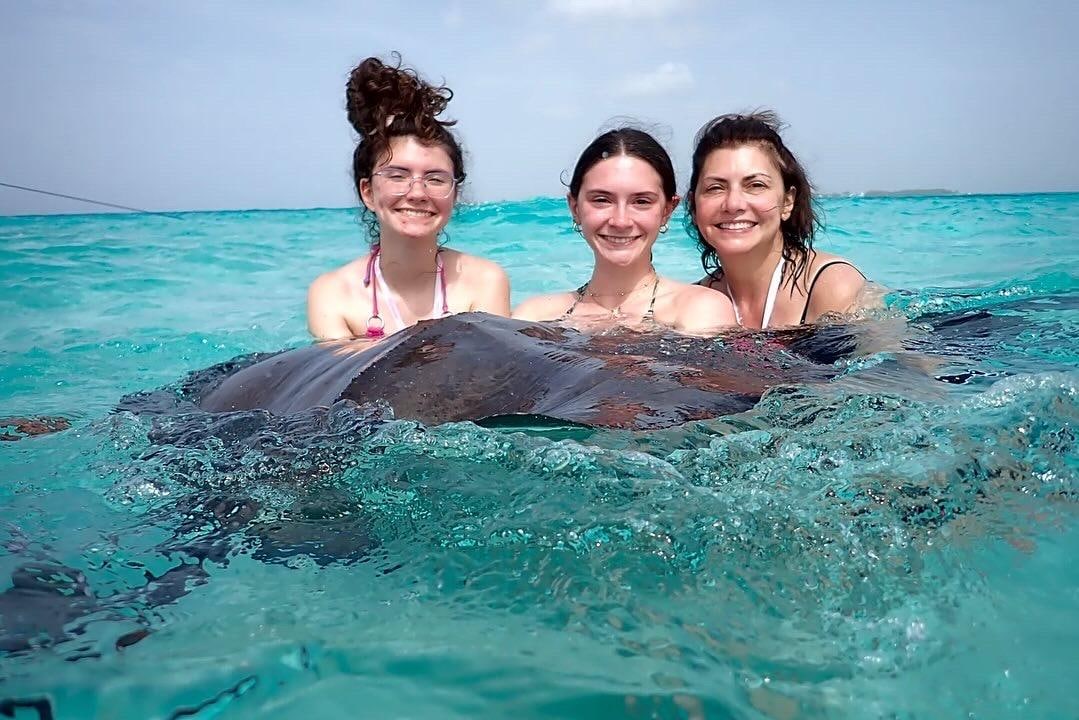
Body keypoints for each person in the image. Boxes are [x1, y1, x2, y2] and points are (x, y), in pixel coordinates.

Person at [307, 55, 510, 341]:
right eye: (397, 176)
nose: (417, 193)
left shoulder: (485, 281)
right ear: (367, 191)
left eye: (435, 179)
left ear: (455, 194)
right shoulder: (331, 294)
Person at [513, 128, 736, 333]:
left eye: (641, 201)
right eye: (602, 200)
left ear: (667, 210)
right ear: (575, 208)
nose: (621, 221)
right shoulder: (533, 316)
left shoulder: (699, 310)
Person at [686, 111, 866, 329]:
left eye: (755, 185)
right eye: (715, 188)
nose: (733, 204)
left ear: (788, 202)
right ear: (694, 207)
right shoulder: (692, 307)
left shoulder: (832, 287)